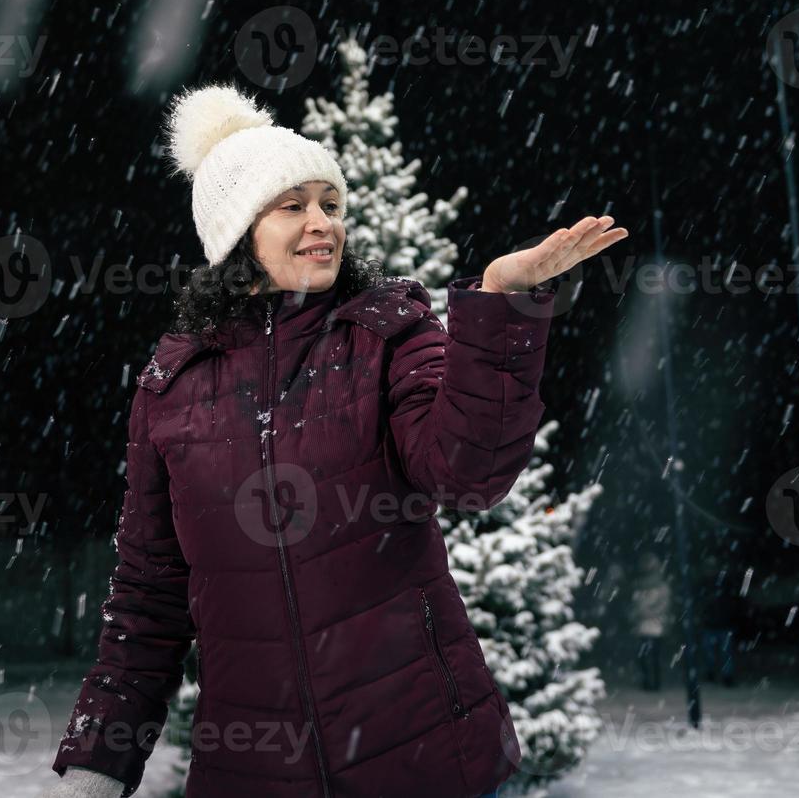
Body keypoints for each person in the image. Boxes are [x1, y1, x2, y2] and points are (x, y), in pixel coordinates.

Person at [40, 84, 629, 798]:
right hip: (253, 775)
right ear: (235, 230)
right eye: (292, 206)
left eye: (330, 204)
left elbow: (466, 475)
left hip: (426, 763)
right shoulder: (171, 388)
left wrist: (500, 306)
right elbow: (145, 602)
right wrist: (96, 766)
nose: (321, 222)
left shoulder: (385, 334)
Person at [629, 552, 672, 692]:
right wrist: (639, 613)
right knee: (644, 657)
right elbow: (635, 604)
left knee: (654, 656)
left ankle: (655, 682)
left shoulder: (662, 587)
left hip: (656, 626)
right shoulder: (639, 586)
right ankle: (647, 681)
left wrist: (648, 613)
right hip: (642, 626)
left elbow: (664, 605)